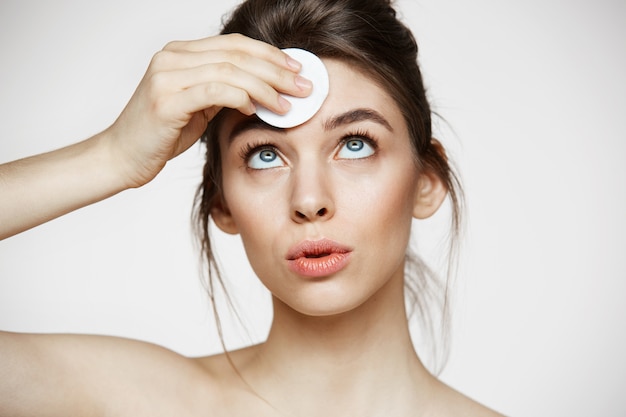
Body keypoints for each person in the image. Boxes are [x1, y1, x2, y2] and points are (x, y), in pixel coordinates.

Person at [0, 0, 504, 415]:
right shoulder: (144, 404)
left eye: (355, 144)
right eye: (266, 155)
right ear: (222, 203)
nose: (309, 201)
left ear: (426, 181)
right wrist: (109, 156)